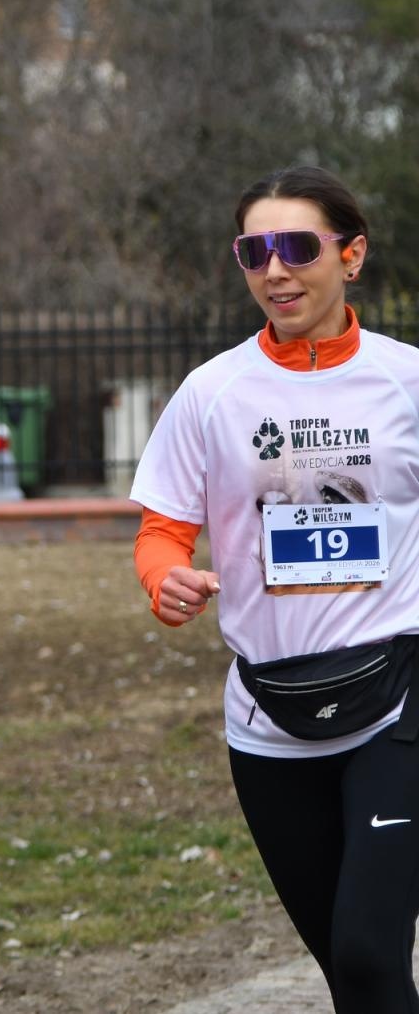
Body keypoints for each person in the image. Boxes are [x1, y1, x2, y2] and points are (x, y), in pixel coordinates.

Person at [130, 166, 419, 1012]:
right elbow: (161, 529)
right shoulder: (211, 392)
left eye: (297, 247)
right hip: (269, 719)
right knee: (349, 970)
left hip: (400, 695)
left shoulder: (406, 380)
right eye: (254, 251)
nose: (275, 270)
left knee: (370, 952)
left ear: (352, 255)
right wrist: (165, 582)